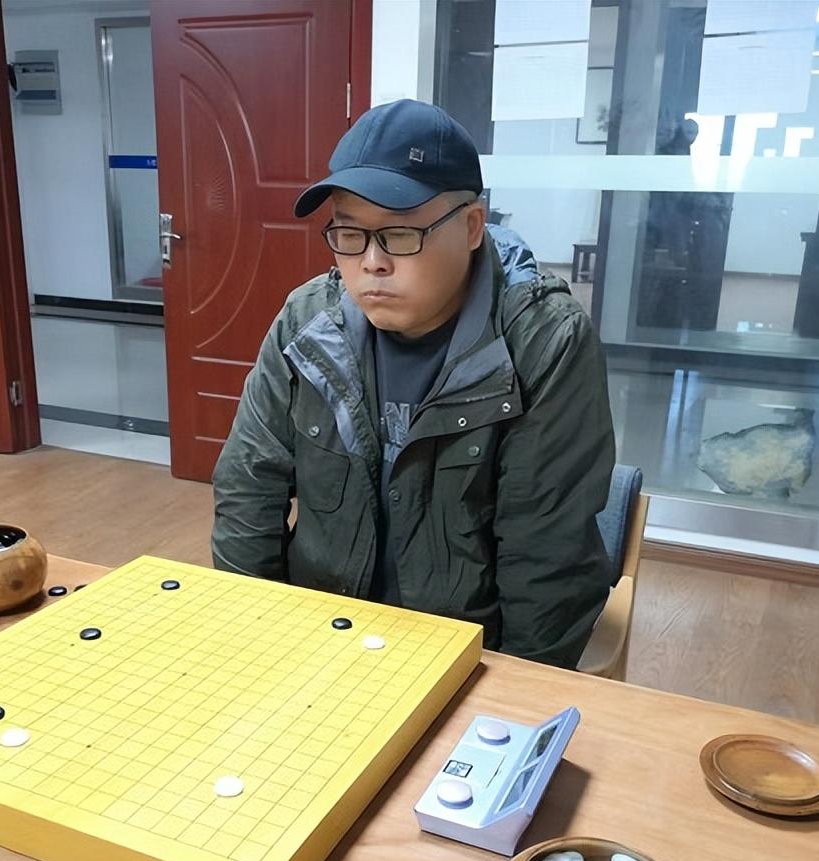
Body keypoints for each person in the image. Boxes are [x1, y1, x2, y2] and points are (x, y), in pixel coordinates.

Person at [211, 100, 615, 668]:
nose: (372, 262)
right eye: (349, 233)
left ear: (471, 226)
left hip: (466, 657)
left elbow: (548, 559)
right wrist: (253, 641)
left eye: (399, 233)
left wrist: (514, 696)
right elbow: (248, 491)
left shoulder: (543, 342)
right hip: (318, 636)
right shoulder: (308, 324)